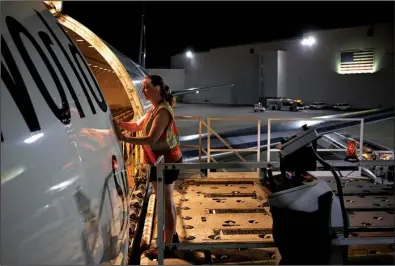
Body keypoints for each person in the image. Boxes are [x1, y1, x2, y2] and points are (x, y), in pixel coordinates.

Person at [113, 75, 182, 259]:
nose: (143, 90)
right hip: (158, 162)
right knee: (165, 202)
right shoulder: (154, 109)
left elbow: (151, 138)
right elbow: (137, 125)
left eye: (146, 87)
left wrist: (125, 138)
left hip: (166, 163)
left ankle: (167, 246)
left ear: (158, 88)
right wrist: (118, 123)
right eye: (143, 87)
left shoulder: (162, 112)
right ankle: (171, 237)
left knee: (166, 204)